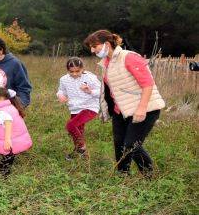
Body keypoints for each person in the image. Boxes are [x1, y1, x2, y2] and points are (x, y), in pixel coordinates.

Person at [84, 29, 165, 176]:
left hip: (144, 108)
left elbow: (148, 84)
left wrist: (141, 109)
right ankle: (122, 175)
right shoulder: (107, 62)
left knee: (131, 145)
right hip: (120, 110)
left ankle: (149, 175)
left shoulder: (129, 57)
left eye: (94, 46)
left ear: (106, 44)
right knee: (119, 143)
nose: (92, 50)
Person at [56, 57, 101, 160]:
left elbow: (101, 92)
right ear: (68, 70)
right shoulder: (64, 79)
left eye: (77, 71)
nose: (75, 74)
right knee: (78, 131)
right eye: (71, 71)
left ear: (82, 68)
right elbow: (61, 91)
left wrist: (90, 91)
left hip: (90, 107)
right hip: (74, 108)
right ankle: (79, 154)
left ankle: (82, 148)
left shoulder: (90, 77)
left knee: (70, 125)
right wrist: (60, 95)